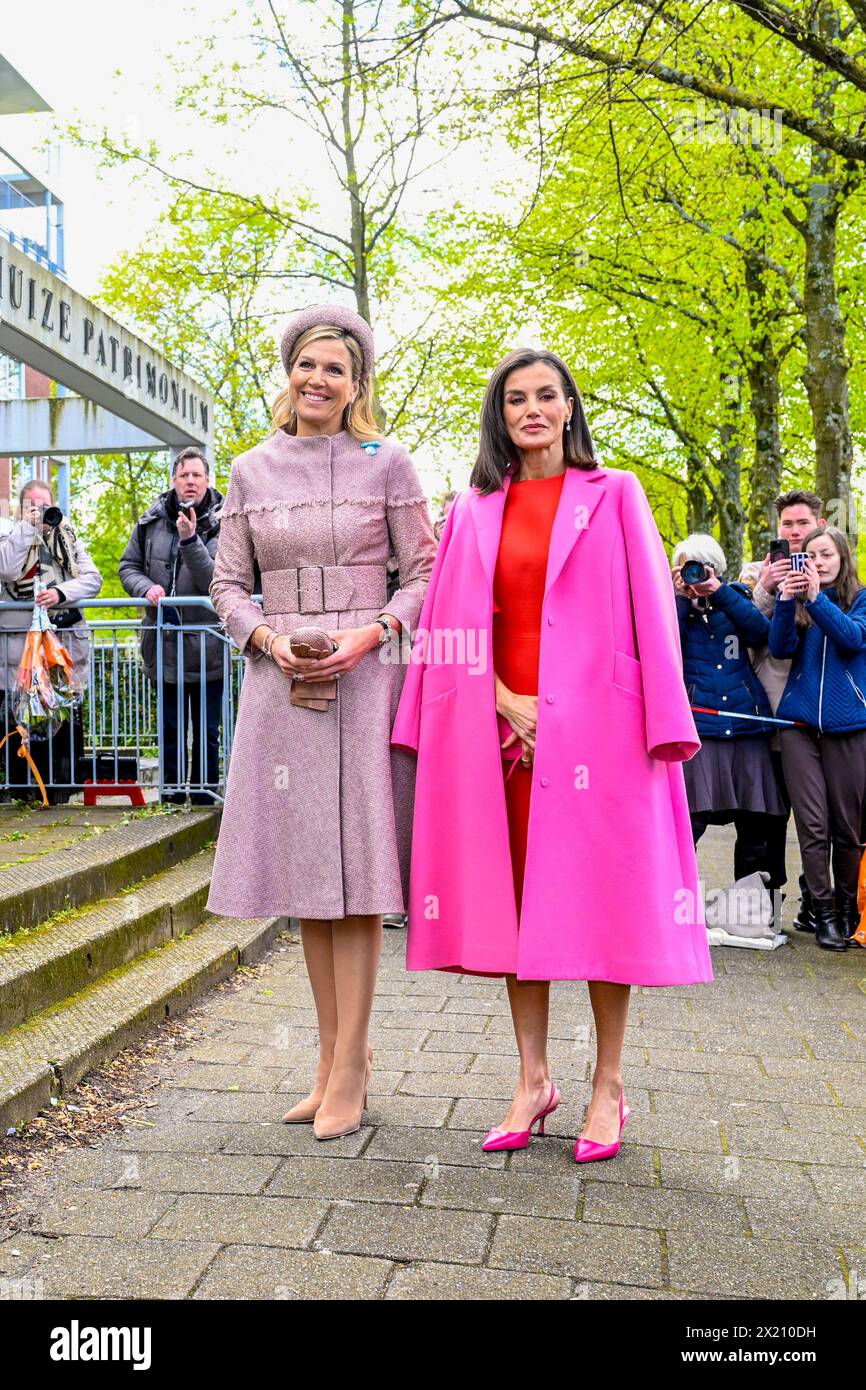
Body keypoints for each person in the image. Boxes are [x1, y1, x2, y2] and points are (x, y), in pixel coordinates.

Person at [391, 347, 712, 1165]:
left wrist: (661, 724)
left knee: (606, 903)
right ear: (500, 417)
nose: (532, 409)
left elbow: (653, 616)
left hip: (600, 736)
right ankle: (532, 1080)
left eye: (547, 395)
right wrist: (501, 700)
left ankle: (609, 1084)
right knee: (515, 908)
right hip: (501, 733)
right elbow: (452, 627)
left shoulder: (617, 496)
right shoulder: (473, 509)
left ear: (570, 407)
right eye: (515, 400)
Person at [206, 303, 437, 1140]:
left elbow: (423, 572)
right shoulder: (250, 470)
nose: (319, 379)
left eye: (336, 368)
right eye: (308, 363)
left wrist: (371, 633)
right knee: (311, 877)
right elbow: (227, 585)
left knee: (359, 875)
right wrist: (268, 639)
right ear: (290, 371)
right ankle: (329, 1056)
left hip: (369, 673)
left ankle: (353, 1063)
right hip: (283, 680)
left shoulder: (389, 463)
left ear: (357, 382)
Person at [672, 536, 788, 928]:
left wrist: (719, 593)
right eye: (687, 568)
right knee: (691, 820)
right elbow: (661, 647)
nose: (694, 577)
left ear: (716, 569)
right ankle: (673, 907)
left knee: (755, 823)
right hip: (699, 729)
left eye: (701, 567)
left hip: (745, 724)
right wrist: (676, 599)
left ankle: (748, 910)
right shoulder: (672, 609)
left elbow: (761, 635)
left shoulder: (736, 597)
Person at [768, 526, 866, 950]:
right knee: (812, 826)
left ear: (842, 558)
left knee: (848, 828)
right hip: (799, 728)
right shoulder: (801, 602)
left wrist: (814, 598)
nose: (818, 563)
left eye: (826, 554)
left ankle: (847, 911)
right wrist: (786, 602)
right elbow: (779, 648)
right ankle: (823, 915)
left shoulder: (860, 600)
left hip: (850, 728)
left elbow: (851, 638)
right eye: (810, 556)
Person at [119, 448, 224, 804]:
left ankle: (206, 799)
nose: (190, 481)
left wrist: (190, 540)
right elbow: (127, 567)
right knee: (171, 729)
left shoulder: (225, 523)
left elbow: (217, 580)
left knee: (208, 731)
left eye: (196, 475)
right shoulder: (150, 521)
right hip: (163, 645)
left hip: (208, 646)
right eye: (184, 476)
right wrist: (145, 588)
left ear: (208, 481)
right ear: (174, 481)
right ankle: (172, 798)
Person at [752, 491, 828, 933]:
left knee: (820, 817)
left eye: (802, 523)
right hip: (774, 712)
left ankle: (817, 899)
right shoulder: (757, 573)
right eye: (788, 525)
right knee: (772, 813)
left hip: (823, 717)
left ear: (818, 523)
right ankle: (770, 902)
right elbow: (748, 636)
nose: (795, 532)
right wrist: (765, 589)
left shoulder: (834, 573)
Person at [0, 479, 102, 803]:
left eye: (45, 505)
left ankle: (58, 795)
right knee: (15, 726)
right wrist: (28, 528)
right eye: (33, 505)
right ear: (21, 507)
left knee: (58, 730)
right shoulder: (10, 536)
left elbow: (93, 580)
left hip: (58, 659)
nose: (41, 511)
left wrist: (60, 593)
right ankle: (19, 793)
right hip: (16, 658)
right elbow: (7, 568)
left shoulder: (67, 540)